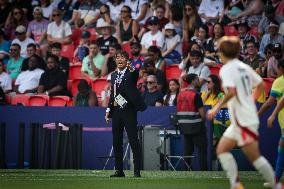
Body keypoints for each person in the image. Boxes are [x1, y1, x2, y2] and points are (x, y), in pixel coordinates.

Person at [207, 36, 278, 189]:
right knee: (222, 149)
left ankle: (276, 185)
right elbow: (259, 85)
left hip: (243, 119)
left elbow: (231, 92)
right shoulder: (243, 66)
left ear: (223, 53)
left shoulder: (226, 69)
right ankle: (236, 184)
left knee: (254, 157)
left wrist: (216, 107)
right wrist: (251, 101)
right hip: (243, 117)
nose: (219, 54)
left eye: (219, 51)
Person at [105, 50, 147, 177]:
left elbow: (136, 74)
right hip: (117, 111)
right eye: (117, 57)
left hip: (129, 111)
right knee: (116, 141)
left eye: (122, 57)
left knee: (133, 140)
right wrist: (108, 110)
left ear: (127, 60)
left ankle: (137, 171)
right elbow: (113, 94)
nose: (119, 60)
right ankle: (119, 171)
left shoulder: (131, 73)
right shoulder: (113, 75)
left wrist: (132, 67)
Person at [258, 59, 284, 188]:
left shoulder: (279, 81)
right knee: (282, 146)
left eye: (277, 69)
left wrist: (258, 114)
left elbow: (270, 102)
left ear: (281, 69)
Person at [176, 73, 207, 171]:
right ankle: (204, 172)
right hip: (197, 127)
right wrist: (203, 120)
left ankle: (187, 171)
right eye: (197, 79)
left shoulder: (180, 94)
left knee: (187, 151)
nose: (199, 81)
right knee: (202, 150)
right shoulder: (196, 95)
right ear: (193, 81)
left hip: (184, 127)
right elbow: (202, 114)